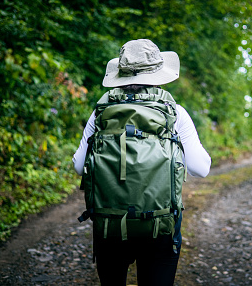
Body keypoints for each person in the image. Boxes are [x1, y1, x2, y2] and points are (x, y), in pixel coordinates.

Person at [73, 39, 211, 285]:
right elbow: (201, 169)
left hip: (110, 223)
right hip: (160, 224)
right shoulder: (175, 113)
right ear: (159, 74)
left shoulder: (101, 113)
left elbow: (78, 165)